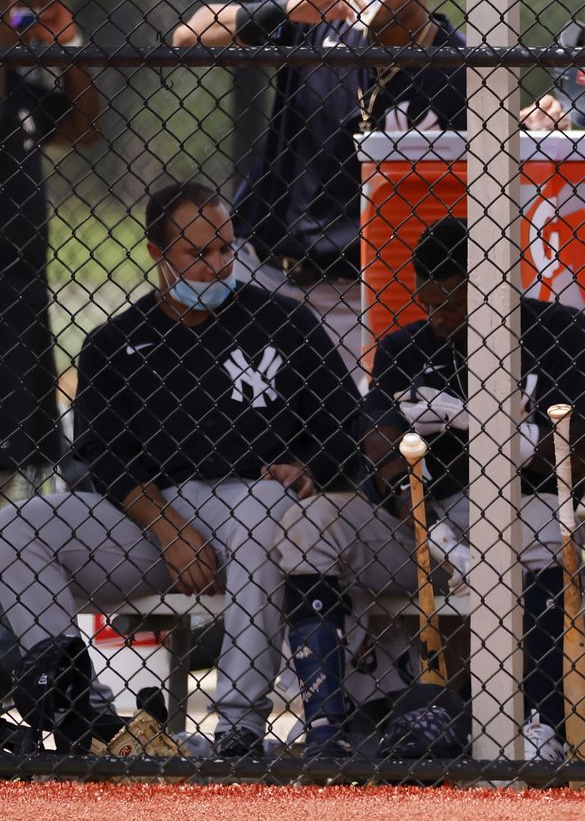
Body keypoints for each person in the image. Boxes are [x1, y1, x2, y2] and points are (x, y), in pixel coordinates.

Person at [0, 182, 360, 756]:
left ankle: (238, 727)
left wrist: (310, 467)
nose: (217, 265)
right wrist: (169, 530)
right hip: (150, 518)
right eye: (198, 253)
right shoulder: (116, 341)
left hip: (256, 506)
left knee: (266, 507)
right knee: (16, 529)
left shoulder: (285, 324)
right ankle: (84, 716)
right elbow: (105, 457)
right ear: (157, 253)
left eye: (225, 249)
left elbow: (347, 427)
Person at [172, 0, 572, 371]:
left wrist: (535, 126)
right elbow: (189, 36)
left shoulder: (460, 69)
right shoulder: (316, 20)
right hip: (264, 270)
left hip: (362, 290)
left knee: (348, 430)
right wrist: (286, 10)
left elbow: (493, 152)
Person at [271, 217, 585, 751]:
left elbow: (575, 457)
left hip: (522, 515)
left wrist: (479, 421)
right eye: (428, 303)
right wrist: (429, 526)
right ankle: (326, 728)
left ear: (492, 287)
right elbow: (382, 449)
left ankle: (542, 726)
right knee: (309, 524)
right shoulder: (405, 347)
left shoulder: (557, 330)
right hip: (424, 526)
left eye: (453, 305)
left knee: (548, 523)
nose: (438, 318)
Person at [1, 0, 101, 478]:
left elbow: (83, 128)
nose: (24, 20)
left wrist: (67, 48)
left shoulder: (18, 87)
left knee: (15, 456)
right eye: (15, 10)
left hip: (21, 284)